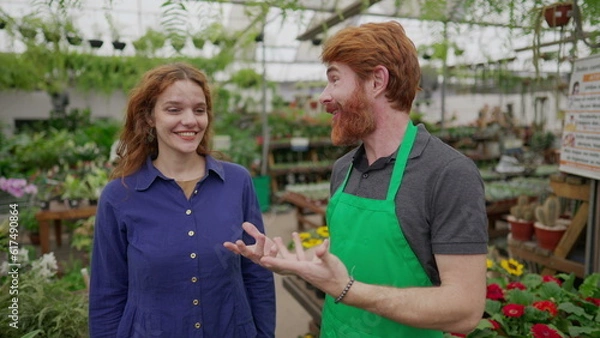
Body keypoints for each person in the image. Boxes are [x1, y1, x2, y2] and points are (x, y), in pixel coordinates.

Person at [224, 21, 488, 337]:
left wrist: (347, 289)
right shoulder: (344, 168)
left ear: (377, 81)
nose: (324, 96)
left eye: (334, 79)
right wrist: (293, 261)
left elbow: (464, 310)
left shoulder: (447, 173)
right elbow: (350, 250)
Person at [89, 62, 275, 338]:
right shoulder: (120, 196)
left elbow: (257, 273)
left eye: (199, 110)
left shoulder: (237, 183)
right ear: (150, 116)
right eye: (174, 109)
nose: (190, 120)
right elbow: (107, 292)